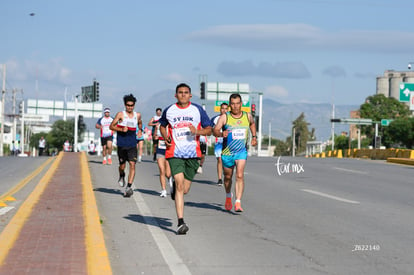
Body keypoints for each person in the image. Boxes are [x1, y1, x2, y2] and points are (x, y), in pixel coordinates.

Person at [159, 83, 212, 235]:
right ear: (176, 95)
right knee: (180, 186)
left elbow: (209, 130)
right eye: (180, 92)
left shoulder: (197, 110)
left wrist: (197, 131)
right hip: (174, 153)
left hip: (193, 155)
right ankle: (181, 222)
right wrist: (165, 136)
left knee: (185, 189)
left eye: (186, 92)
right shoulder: (169, 110)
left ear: (190, 95)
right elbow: (162, 125)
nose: (183, 95)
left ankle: (174, 187)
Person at [213, 93, 257, 212]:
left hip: (241, 151)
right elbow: (215, 130)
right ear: (230, 105)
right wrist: (221, 134)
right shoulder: (225, 117)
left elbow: (252, 124)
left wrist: (254, 136)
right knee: (227, 177)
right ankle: (228, 196)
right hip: (227, 152)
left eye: (238, 103)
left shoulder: (247, 116)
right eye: (233, 104)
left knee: (239, 175)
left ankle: (238, 202)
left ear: (241, 104)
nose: (235, 106)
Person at [110, 94, 143, 198]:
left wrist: (140, 131)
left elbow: (140, 122)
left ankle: (128, 187)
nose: (130, 107)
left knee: (133, 165)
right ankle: (121, 175)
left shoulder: (137, 115)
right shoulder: (120, 114)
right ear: (125, 105)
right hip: (122, 144)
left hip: (132, 144)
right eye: (128, 105)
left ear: (134, 105)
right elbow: (111, 126)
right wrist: (121, 129)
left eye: (132, 105)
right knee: (122, 166)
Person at [210, 102, 229, 185]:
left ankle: (226, 173)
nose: (224, 110)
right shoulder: (215, 118)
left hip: (228, 142)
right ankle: (220, 179)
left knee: (226, 160)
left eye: (226, 108)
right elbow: (209, 128)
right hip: (219, 141)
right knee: (220, 159)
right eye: (222, 108)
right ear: (220, 109)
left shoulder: (230, 118)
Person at [155, 122, 173, 197]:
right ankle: (163, 190)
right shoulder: (158, 126)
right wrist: (156, 137)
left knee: (168, 173)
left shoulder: (171, 126)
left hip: (169, 149)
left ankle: (170, 180)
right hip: (160, 149)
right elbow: (154, 136)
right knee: (161, 170)